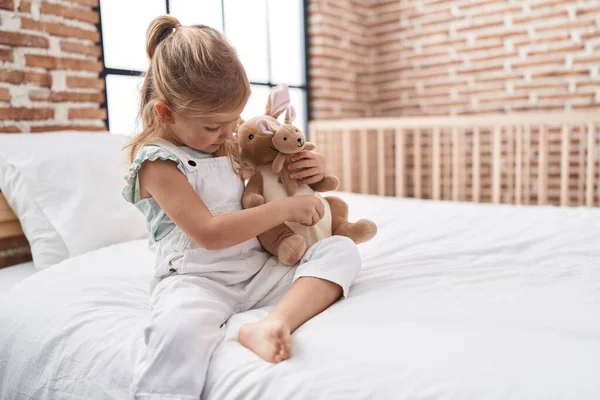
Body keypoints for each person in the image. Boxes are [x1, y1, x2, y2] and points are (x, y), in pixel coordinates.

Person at [122, 15, 361, 399]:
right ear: (166, 113)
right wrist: (285, 212)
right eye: (214, 126)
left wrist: (312, 168)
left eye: (234, 122)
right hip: (198, 281)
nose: (227, 134)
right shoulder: (157, 163)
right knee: (176, 334)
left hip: (256, 270)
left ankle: (271, 324)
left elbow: (271, 163)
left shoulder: (226, 142)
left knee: (339, 251)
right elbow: (210, 233)